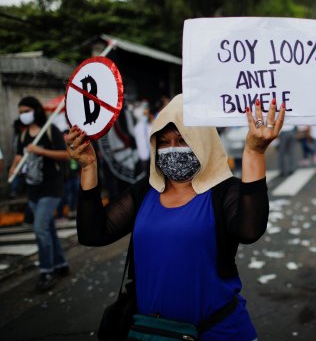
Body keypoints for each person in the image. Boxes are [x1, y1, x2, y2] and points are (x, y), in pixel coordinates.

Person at [68, 94, 285, 341]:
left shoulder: (225, 190)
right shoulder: (145, 191)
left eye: (183, 139)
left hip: (218, 332)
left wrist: (254, 152)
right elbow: (93, 233)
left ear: (202, 141)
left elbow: (250, 230)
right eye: (164, 141)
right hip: (153, 334)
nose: (172, 149)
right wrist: (88, 168)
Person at [8, 96, 70, 292]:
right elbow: (19, 155)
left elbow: (66, 154)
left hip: (51, 188)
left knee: (40, 228)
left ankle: (47, 271)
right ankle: (61, 264)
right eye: (21, 112)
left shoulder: (50, 131)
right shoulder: (24, 134)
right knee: (48, 228)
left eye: (26, 110)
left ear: (35, 110)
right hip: (33, 189)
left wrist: (40, 151)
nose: (23, 115)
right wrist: (13, 167)